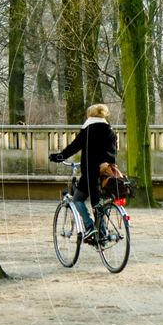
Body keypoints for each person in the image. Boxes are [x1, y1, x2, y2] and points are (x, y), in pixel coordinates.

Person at [49, 104, 117, 244]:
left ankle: (89, 226)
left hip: (90, 173)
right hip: (107, 174)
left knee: (77, 199)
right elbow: (113, 153)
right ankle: (102, 235)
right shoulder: (110, 131)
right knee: (97, 203)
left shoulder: (88, 130)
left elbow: (73, 148)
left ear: (90, 115)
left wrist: (58, 157)